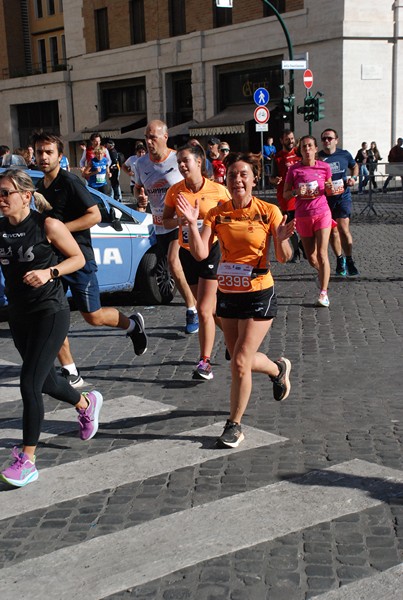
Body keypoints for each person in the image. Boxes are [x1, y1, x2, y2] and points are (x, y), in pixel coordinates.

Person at [177, 152, 294, 448]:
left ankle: (234, 424)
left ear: (255, 178)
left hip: (258, 292)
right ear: (225, 180)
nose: (238, 179)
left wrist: (280, 238)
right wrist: (192, 223)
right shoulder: (217, 213)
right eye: (232, 175)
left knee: (240, 361)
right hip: (227, 294)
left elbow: (284, 257)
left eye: (243, 174)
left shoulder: (269, 211)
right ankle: (277, 368)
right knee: (238, 361)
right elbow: (202, 254)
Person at [0, 168, 103, 488]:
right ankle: (86, 404)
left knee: (29, 383)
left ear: (26, 197)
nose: (1, 199)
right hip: (19, 316)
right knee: (44, 381)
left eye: (6, 193)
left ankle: (27, 459)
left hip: (50, 312)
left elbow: (77, 259)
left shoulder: (47, 225)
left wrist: (51, 272)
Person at [33, 131, 147, 388]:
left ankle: (132, 326)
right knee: (53, 314)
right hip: (54, 262)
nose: (43, 157)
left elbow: (94, 215)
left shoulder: (70, 182)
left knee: (92, 316)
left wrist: (61, 231)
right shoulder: (40, 187)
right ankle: (71, 370)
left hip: (79, 258)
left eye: (49, 152)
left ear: (59, 156)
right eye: (39, 152)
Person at [163, 143, 230, 380]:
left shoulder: (219, 191)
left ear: (198, 163)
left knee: (202, 309)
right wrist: (180, 222)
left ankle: (205, 362)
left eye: (185, 161)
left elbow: (230, 218)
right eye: (178, 162)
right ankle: (234, 341)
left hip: (211, 251)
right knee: (208, 310)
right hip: (187, 251)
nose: (181, 165)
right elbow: (166, 220)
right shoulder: (175, 191)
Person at [134, 120, 198, 335]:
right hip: (160, 224)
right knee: (181, 268)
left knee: (173, 262)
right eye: (146, 137)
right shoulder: (141, 164)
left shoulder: (177, 159)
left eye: (153, 137)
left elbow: (195, 183)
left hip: (181, 222)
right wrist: (140, 199)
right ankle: (199, 302)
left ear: (165, 137)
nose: (149, 141)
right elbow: (138, 188)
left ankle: (192, 309)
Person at [283, 135, 333, 308]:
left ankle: (323, 292)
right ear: (300, 150)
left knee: (322, 253)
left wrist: (331, 188)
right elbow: (286, 194)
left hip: (322, 212)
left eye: (310, 146)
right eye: (304, 147)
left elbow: (329, 188)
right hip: (303, 215)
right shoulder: (294, 170)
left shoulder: (325, 167)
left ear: (315, 148)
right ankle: (323, 273)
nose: (307, 149)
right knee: (311, 257)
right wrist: (296, 191)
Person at [318, 128, 360, 277]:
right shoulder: (318, 158)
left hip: (343, 196)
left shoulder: (344, 154)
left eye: (329, 138)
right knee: (332, 232)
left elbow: (354, 167)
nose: (326, 141)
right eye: (324, 139)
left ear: (336, 140)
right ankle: (340, 259)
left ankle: (349, 259)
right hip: (325, 199)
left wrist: (353, 179)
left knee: (343, 228)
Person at [269, 130, 301, 262]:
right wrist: (274, 181)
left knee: (303, 224)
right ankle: (297, 252)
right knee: (290, 225)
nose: (290, 141)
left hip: (302, 195)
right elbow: (271, 177)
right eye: (287, 139)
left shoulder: (300, 154)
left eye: (292, 138)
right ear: (282, 141)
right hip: (286, 198)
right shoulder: (277, 158)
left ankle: (304, 246)